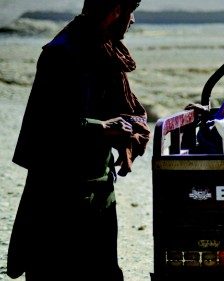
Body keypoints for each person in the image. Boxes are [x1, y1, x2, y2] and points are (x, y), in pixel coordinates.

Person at [7, 0, 150, 280]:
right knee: (56, 268)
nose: (132, 20)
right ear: (115, 10)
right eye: (130, 11)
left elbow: (121, 107)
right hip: (59, 189)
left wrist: (130, 130)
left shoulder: (104, 49)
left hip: (98, 185)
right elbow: (46, 125)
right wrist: (103, 127)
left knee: (102, 270)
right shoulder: (61, 54)